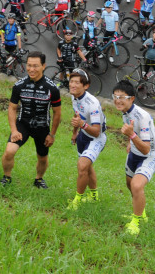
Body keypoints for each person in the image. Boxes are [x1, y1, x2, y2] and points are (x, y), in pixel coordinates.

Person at [0, 51, 61, 188]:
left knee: (42, 157)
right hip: (23, 124)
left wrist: (52, 134)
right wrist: (14, 130)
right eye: (29, 65)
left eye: (35, 66)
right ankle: (7, 176)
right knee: (9, 151)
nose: (31, 69)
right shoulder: (19, 85)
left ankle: (39, 179)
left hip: (42, 127)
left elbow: (57, 113)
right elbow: (12, 108)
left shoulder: (52, 88)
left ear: (43, 66)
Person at [112, 80, 155, 236]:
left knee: (137, 186)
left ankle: (136, 221)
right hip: (133, 154)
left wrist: (131, 135)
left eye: (122, 97)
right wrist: (130, 141)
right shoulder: (126, 112)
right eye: (115, 96)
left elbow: (146, 149)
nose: (117, 100)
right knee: (130, 185)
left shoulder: (142, 116)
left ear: (132, 98)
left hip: (149, 156)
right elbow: (132, 130)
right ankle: (141, 213)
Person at [67, 69, 106, 209]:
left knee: (82, 166)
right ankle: (94, 196)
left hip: (97, 138)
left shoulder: (93, 104)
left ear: (86, 86)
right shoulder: (74, 96)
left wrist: (82, 125)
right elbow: (77, 115)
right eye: (71, 81)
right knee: (87, 167)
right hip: (83, 135)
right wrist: (75, 132)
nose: (72, 85)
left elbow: (96, 132)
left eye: (77, 82)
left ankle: (77, 201)